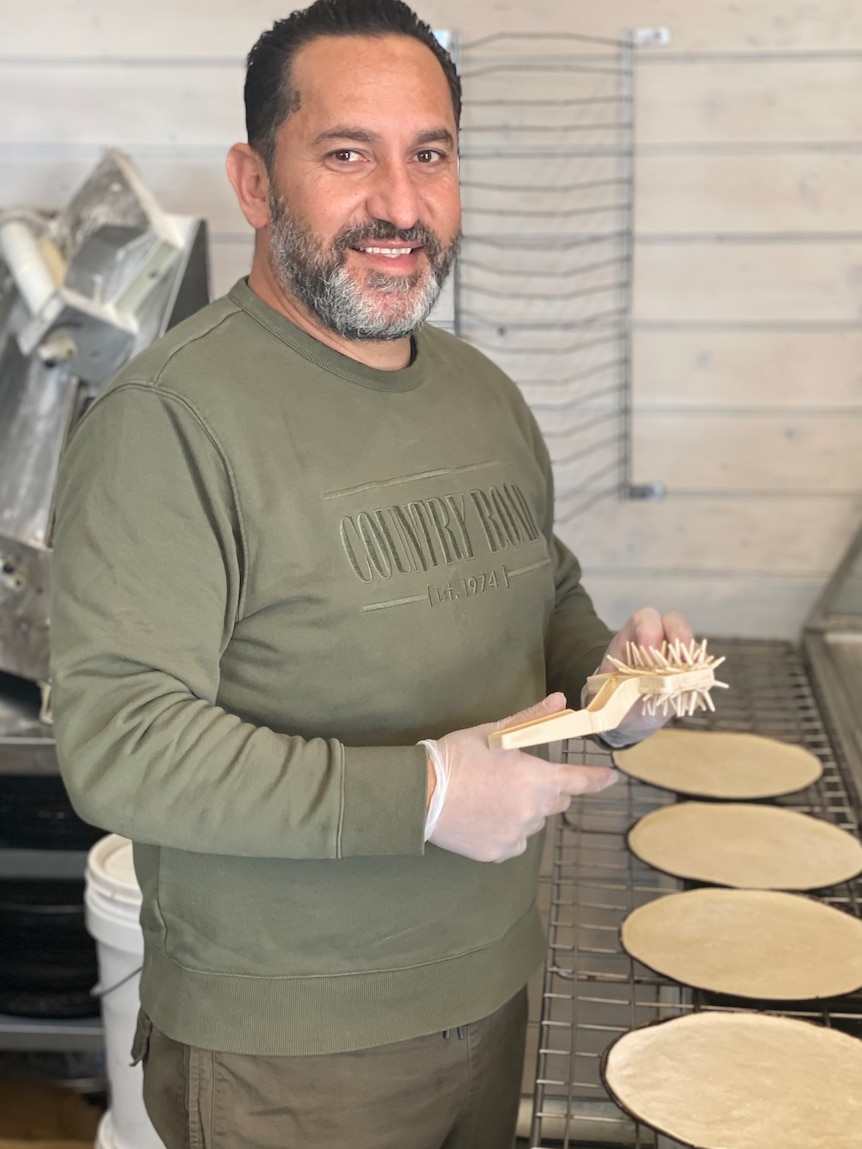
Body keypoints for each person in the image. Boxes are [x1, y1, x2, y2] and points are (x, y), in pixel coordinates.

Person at [50, 2, 693, 1146]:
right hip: (287, 1056)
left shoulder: (478, 394)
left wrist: (617, 684)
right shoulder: (169, 423)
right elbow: (120, 745)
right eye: (348, 154)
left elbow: (539, 599)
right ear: (256, 183)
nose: (400, 205)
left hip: (494, 987)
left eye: (429, 155)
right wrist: (428, 796)